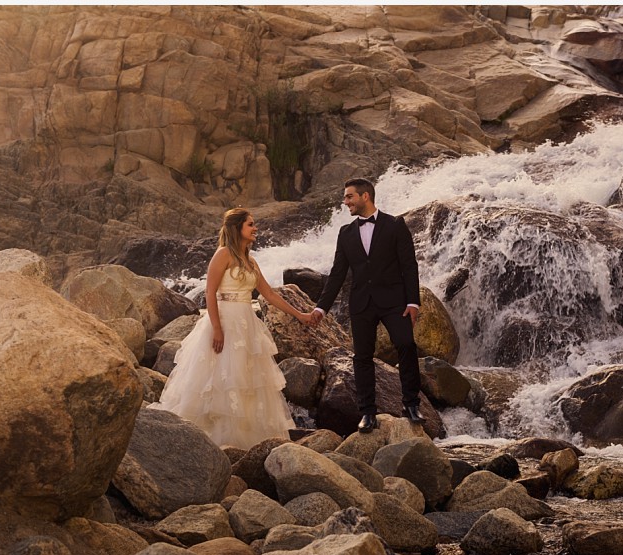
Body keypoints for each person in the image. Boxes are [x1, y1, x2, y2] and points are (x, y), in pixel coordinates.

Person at [150, 207, 312, 449]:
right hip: (224, 321)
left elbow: (268, 294)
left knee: (247, 380)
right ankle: (209, 438)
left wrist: (300, 315)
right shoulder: (223, 254)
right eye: (250, 224)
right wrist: (216, 328)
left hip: (246, 324)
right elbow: (210, 293)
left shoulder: (250, 260)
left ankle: (245, 440)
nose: (255, 228)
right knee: (219, 379)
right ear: (238, 228)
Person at [310, 177, 425, 433]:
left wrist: (412, 301)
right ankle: (367, 412)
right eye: (345, 197)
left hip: (394, 301)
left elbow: (409, 265)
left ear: (365, 196)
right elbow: (338, 273)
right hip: (361, 303)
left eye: (349, 196)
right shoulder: (346, 233)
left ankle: (411, 404)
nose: (345, 202)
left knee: (406, 345)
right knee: (362, 357)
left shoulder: (395, 225)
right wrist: (321, 308)